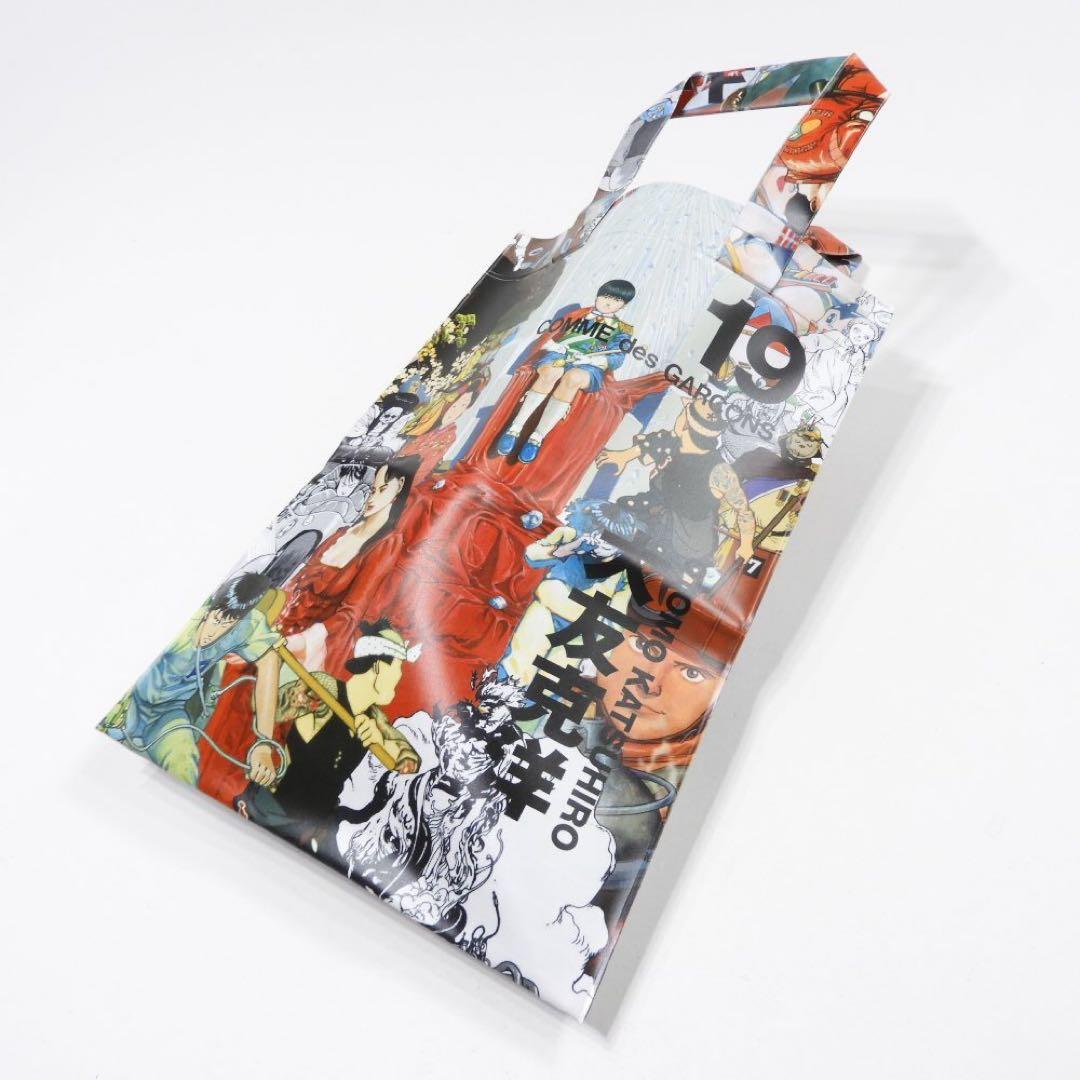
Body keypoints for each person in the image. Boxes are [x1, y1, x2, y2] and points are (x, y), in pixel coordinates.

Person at [235, 620, 421, 866]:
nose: (400, 676)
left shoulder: (376, 719)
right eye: (398, 667)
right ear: (378, 667)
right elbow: (269, 705)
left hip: (314, 830)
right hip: (272, 812)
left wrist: (380, 741)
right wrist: (264, 745)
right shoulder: (325, 690)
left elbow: (408, 761)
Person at [99, 573, 283, 787]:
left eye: (227, 624)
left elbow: (270, 661)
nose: (214, 632)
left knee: (184, 763)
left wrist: (264, 744)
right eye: (216, 620)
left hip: (169, 714)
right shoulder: (188, 612)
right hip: (128, 706)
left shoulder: (246, 624)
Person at [595, 394, 756, 591]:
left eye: (686, 411)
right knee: (605, 521)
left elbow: (744, 512)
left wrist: (746, 545)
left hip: (687, 542)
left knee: (662, 581)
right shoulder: (669, 442)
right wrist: (621, 456)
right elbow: (640, 450)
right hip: (651, 515)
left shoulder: (720, 471)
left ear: (687, 421)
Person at [279, 456, 418, 671]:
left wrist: (303, 639)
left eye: (382, 490)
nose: (372, 498)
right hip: (280, 623)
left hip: (312, 641)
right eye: (372, 490)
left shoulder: (386, 544)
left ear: (399, 487)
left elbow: (352, 613)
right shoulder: (340, 533)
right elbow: (293, 585)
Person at [496, 280, 636, 464]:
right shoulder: (579, 314)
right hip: (560, 353)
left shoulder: (623, 330)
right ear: (598, 295)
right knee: (551, 372)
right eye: (606, 296)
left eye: (616, 300)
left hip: (589, 365)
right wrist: (554, 346)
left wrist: (591, 360)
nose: (608, 303)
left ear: (623, 305)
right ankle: (515, 428)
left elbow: (617, 359)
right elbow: (553, 333)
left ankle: (537, 437)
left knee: (573, 378)